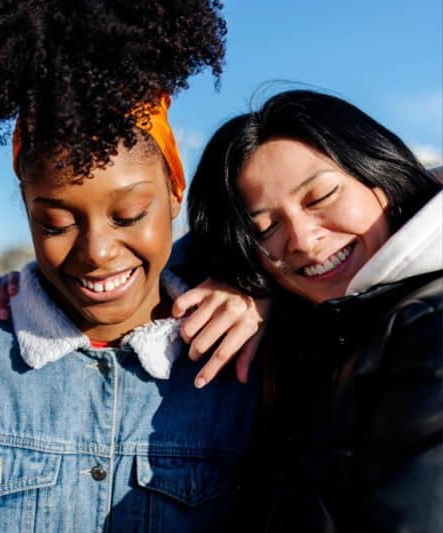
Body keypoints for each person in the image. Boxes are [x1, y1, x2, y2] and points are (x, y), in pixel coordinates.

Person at [0, 1, 261, 531]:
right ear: (27, 211)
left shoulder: (245, 360)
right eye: (55, 223)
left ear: (174, 193)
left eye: (130, 214)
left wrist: (267, 300)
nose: (96, 251)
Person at [186, 89, 443, 532]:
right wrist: (249, 284)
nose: (303, 240)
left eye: (320, 197)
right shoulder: (333, 325)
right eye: (266, 229)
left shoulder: (428, 326)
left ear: (379, 174)